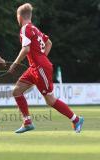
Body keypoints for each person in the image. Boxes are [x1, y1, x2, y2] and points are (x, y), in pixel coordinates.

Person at [9, 3, 84, 133]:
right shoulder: (35, 29)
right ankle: (27, 122)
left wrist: (15, 64)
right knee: (16, 91)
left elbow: (25, 49)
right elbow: (49, 42)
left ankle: (76, 119)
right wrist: (41, 57)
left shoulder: (25, 29)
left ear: (19, 16)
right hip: (35, 67)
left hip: (40, 68)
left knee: (50, 100)